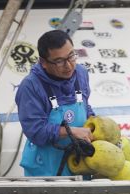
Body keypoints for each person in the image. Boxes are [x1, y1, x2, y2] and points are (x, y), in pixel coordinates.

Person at [15, 30, 94, 176]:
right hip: (46, 170)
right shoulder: (30, 87)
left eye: (71, 56)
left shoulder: (81, 73)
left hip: (79, 165)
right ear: (44, 62)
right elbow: (36, 131)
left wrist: (95, 123)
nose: (69, 66)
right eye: (59, 61)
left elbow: (85, 106)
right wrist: (72, 131)